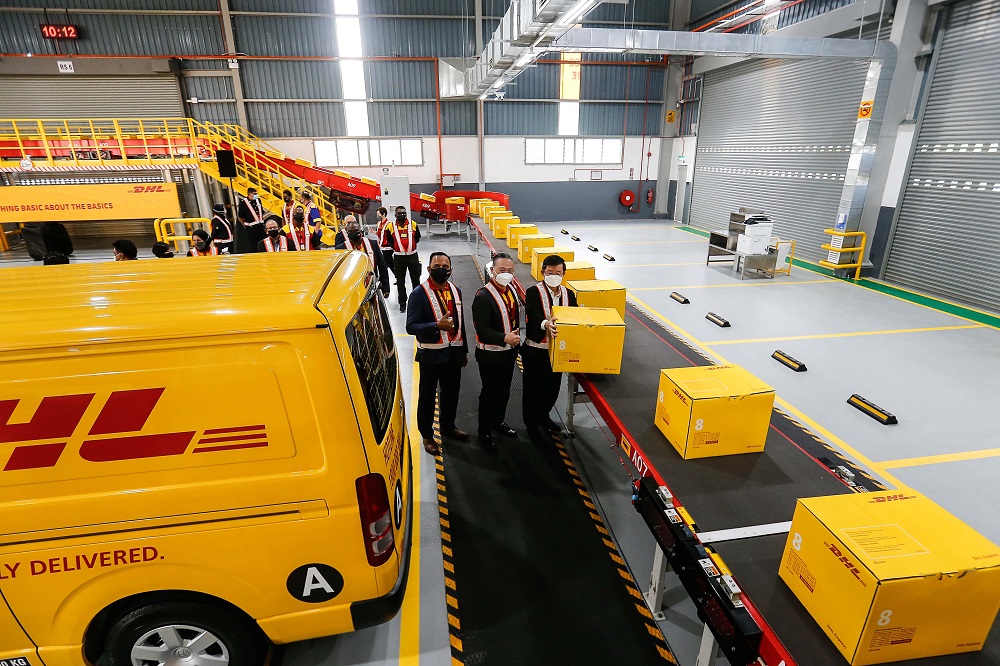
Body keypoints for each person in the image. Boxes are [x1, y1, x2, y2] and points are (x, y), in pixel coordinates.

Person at [405, 252, 469, 456]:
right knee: (427, 397)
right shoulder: (418, 294)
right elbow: (411, 326)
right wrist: (436, 325)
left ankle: (448, 427)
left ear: (450, 269)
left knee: (451, 394)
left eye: (445, 265)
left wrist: (464, 350)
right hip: (431, 357)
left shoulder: (455, 290)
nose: (441, 268)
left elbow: (461, 323)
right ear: (429, 268)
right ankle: (426, 435)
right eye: (437, 265)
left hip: (453, 354)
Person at [522, 254, 577, 440]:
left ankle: (544, 417)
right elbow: (534, 313)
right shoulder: (533, 291)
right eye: (550, 272)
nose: (554, 275)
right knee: (532, 389)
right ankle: (531, 426)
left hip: (558, 352)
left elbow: (575, 318)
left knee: (552, 388)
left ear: (564, 274)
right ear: (542, 272)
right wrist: (546, 323)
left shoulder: (569, 294)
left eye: (558, 273)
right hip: (536, 349)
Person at [471, 252, 521, 450]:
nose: (506, 274)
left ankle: (498, 421)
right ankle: (484, 431)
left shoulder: (511, 291)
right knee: (490, 394)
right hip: (490, 355)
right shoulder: (483, 296)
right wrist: (504, 338)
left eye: (510, 271)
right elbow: (482, 331)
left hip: (508, 353)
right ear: (492, 271)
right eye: (502, 270)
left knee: (504, 391)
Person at [335, 218, 390, 298]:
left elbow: (382, 266)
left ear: (360, 231)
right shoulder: (342, 248)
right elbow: (339, 272)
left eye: (356, 231)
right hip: (352, 288)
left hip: (372, 285)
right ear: (347, 233)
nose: (353, 233)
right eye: (350, 232)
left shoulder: (372, 244)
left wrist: (386, 288)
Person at [382, 205, 421, 312]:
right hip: (399, 258)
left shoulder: (413, 224)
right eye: (399, 213)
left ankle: (417, 302)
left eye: (404, 213)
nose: (402, 215)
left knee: (416, 281)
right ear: (395, 215)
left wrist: (409, 248)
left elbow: (417, 237)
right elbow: (389, 240)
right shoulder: (390, 226)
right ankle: (402, 303)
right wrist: (398, 249)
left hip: (413, 256)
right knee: (400, 282)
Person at [237, 187, 267, 252]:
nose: (256, 195)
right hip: (251, 227)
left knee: (264, 242)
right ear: (249, 194)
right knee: (254, 244)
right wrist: (245, 225)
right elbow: (240, 217)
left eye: (256, 194)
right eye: (254, 194)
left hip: (260, 225)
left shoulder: (258, 200)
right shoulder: (243, 203)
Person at [375, 207, 394, 273]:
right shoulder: (378, 224)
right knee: (391, 264)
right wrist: (373, 232)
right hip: (381, 246)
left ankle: (383, 279)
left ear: (383, 214)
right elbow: (379, 234)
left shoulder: (389, 224)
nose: (377, 216)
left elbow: (392, 235)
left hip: (388, 247)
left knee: (384, 264)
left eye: (378, 214)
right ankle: (398, 278)